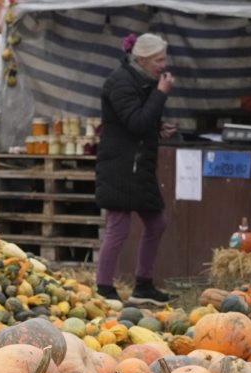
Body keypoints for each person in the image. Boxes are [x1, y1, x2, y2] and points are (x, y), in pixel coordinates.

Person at [94, 32, 177, 306]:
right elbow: (135, 123)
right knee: (118, 225)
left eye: (164, 59)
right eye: (159, 59)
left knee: (157, 222)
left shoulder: (141, 81)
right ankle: (104, 288)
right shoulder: (120, 83)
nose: (163, 65)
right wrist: (161, 95)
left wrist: (157, 126)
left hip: (137, 166)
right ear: (141, 59)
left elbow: (141, 121)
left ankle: (143, 285)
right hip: (119, 166)